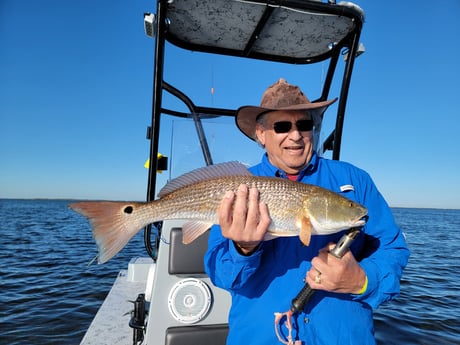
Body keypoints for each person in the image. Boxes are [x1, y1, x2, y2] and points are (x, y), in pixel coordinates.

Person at [204, 78, 410, 345]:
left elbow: (392, 248)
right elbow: (222, 276)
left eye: (304, 124)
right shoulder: (239, 189)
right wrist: (243, 249)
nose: (295, 135)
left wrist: (361, 280)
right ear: (261, 134)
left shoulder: (355, 180)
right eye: (281, 126)